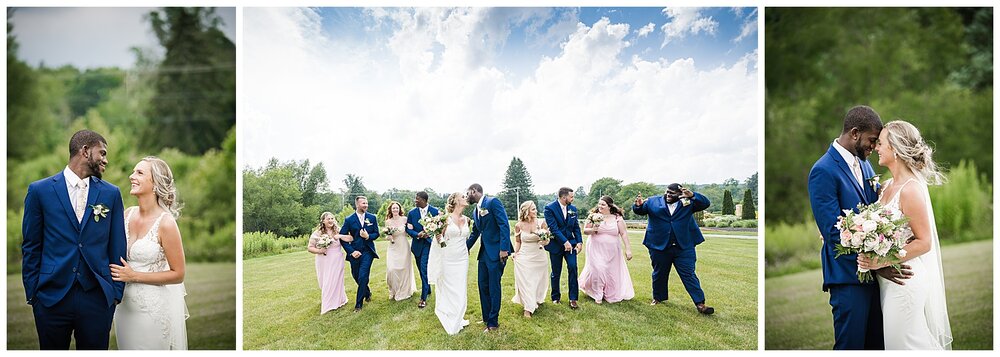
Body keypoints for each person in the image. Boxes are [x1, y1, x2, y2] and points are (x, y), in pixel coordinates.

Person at [808, 105, 911, 349]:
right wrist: (876, 266)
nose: (875, 147)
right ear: (855, 133)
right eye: (872, 140)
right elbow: (833, 233)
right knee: (850, 346)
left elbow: (878, 213)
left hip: (877, 277)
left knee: (876, 345)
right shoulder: (822, 171)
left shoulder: (865, 165)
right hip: (848, 279)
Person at [22, 130, 126, 350]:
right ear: (85, 151)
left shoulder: (111, 194)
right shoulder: (40, 191)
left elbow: (117, 246)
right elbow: (31, 245)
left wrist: (114, 293)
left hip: (97, 298)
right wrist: (34, 294)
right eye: (102, 153)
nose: (106, 160)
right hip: (51, 298)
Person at [856, 120, 953, 349]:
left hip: (905, 281)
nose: (876, 148)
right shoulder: (887, 186)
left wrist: (880, 261)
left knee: (905, 346)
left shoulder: (910, 189)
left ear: (895, 150)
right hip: (889, 283)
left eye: (880, 143)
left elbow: (924, 242)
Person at [110, 157, 189, 349]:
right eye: (133, 171)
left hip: (151, 311)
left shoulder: (166, 223)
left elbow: (178, 274)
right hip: (123, 307)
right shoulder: (127, 213)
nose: (131, 176)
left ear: (155, 183)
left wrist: (134, 276)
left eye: (139, 173)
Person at [633, 183, 714, 315]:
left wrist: (693, 195)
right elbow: (640, 210)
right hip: (659, 245)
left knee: (689, 274)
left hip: (684, 246)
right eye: (667, 192)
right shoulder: (653, 201)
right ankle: (658, 298)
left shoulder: (688, 202)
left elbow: (705, 203)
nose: (668, 195)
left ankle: (700, 303)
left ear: (680, 194)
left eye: (672, 193)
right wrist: (637, 205)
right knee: (659, 273)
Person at [465, 183, 512, 332]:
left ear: (474, 191)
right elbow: (475, 232)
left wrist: (504, 249)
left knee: (493, 287)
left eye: (467, 193)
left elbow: (504, 225)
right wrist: (464, 248)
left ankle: (493, 323)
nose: (466, 196)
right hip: (484, 253)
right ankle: (486, 317)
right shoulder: (475, 211)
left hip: (498, 252)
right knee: (482, 285)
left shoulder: (493, 202)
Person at [427, 192, 472, 334]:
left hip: (462, 258)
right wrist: (439, 238)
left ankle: (458, 314)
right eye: (463, 197)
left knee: (460, 287)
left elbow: (465, 239)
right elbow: (438, 238)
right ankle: (450, 313)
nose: (466, 198)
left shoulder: (467, 220)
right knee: (449, 287)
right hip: (448, 258)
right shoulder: (445, 219)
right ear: (456, 201)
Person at [578, 195, 634, 304]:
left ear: (609, 206)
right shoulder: (593, 216)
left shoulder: (617, 217)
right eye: (599, 204)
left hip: (613, 250)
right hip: (595, 248)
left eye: (603, 204)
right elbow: (585, 231)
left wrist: (628, 249)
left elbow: (623, 233)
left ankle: (607, 292)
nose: (600, 206)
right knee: (599, 269)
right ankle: (597, 294)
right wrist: (593, 229)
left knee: (610, 272)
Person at [543, 187, 583, 309]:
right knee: (556, 272)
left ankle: (573, 298)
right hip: (556, 244)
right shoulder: (549, 208)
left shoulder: (573, 209)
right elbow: (554, 228)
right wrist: (564, 241)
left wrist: (579, 242)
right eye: (571, 196)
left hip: (571, 244)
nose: (573, 198)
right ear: (563, 197)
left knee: (573, 267)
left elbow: (576, 227)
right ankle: (555, 297)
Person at [306, 212, 353, 314]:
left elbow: (351, 238)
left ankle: (333, 302)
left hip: (337, 259)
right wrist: (320, 251)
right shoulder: (317, 233)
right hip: (323, 260)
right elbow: (310, 248)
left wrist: (339, 236)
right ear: (323, 221)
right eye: (328, 219)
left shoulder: (338, 230)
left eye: (332, 218)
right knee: (324, 280)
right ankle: (330, 300)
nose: (331, 220)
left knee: (335, 280)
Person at [340, 196, 380, 312]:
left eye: (367, 203)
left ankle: (358, 304)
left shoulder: (372, 218)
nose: (366, 205)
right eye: (363, 203)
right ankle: (367, 292)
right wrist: (351, 251)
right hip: (355, 252)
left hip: (368, 251)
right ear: (357, 205)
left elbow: (376, 234)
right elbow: (342, 237)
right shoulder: (349, 219)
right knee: (356, 276)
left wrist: (368, 236)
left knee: (363, 276)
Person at [511, 201, 550, 317]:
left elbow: (547, 241)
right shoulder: (518, 225)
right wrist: (515, 253)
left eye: (535, 209)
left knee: (537, 280)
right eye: (533, 209)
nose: (536, 211)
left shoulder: (541, 223)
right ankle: (528, 308)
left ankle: (536, 298)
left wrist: (544, 241)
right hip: (524, 256)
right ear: (526, 211)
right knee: (526, 281)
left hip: (539, 255)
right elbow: (518, 241)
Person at [406, 191, 439, 308]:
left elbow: (439, 227)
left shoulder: (435, 212)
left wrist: (429, 233)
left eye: (417, 199)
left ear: (424, 200)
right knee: (420, 268)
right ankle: (428, 288)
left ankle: (423, 298)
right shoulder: (412, 213)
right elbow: (408, 229)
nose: (415, 201)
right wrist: (418, 234)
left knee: (424, 268)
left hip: (430, 245)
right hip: (417, 245)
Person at [383, 201, 416, 301]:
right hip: (393, 247)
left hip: (403, 246)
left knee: (404, 269)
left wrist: (411, 230)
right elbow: (387, 235)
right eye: (393, 208)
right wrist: (389, 237)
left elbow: (410, 231)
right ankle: (393, 290)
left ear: (399, 209)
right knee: (391, 269)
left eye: (397, 208)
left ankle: (404, 291)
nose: (395, 210)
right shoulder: (388, 221)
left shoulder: (405, 219)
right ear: (391, 210)